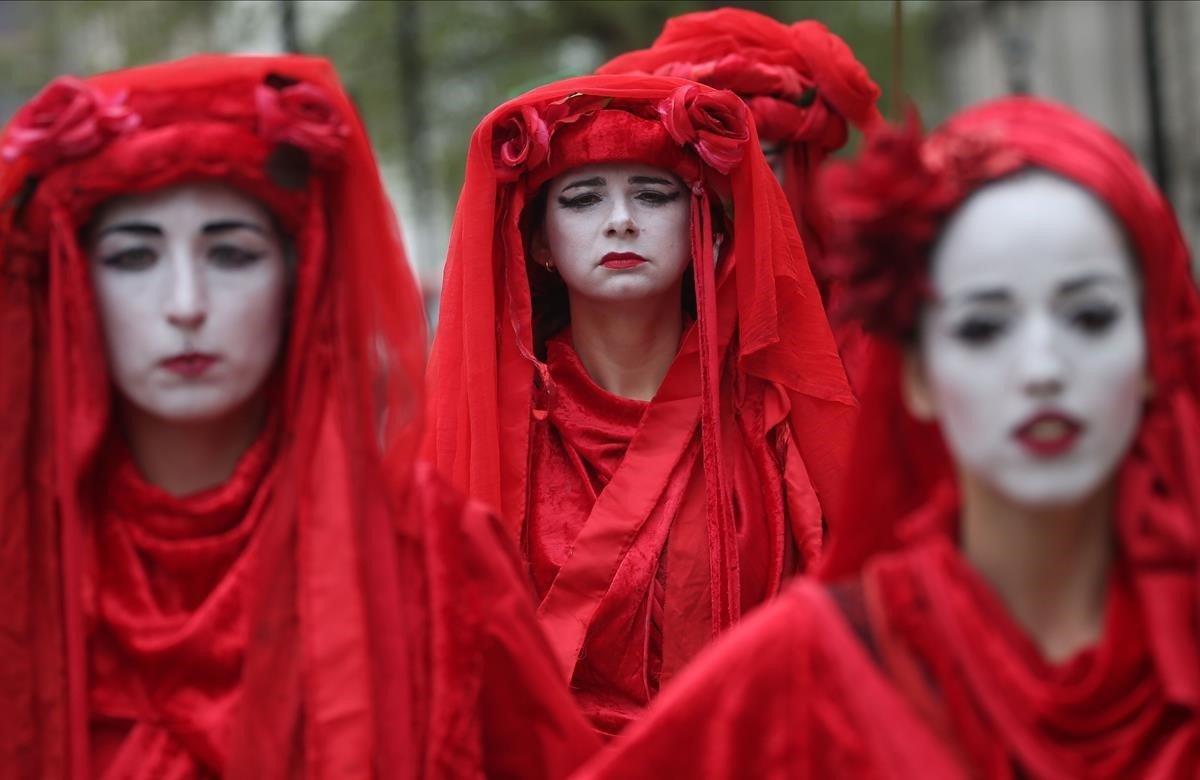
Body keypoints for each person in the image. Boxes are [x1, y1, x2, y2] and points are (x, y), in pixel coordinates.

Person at [0, 55, 597, 778]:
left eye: (230, 253)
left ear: (299, 277)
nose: (185, 303)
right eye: (133, 258)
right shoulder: (21, 549)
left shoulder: (437, 560)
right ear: (72, 284)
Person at [577, 97, 1200, 777]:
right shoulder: (798, 677)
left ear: (1152, 354)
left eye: (1090, 317)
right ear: (915, 375)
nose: (1043, 371)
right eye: (983, 329)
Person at [424, 74, 856, 735]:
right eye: (582, 199)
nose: (620, 220)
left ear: (703, 226)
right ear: (539, 242)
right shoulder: (499, 435)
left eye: (653, 195)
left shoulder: (772, 420)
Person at [597, 7, 882, 387]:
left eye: (765, 164)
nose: (741, 192)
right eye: (714, 169)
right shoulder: (606, 312)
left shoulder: (873, 302)